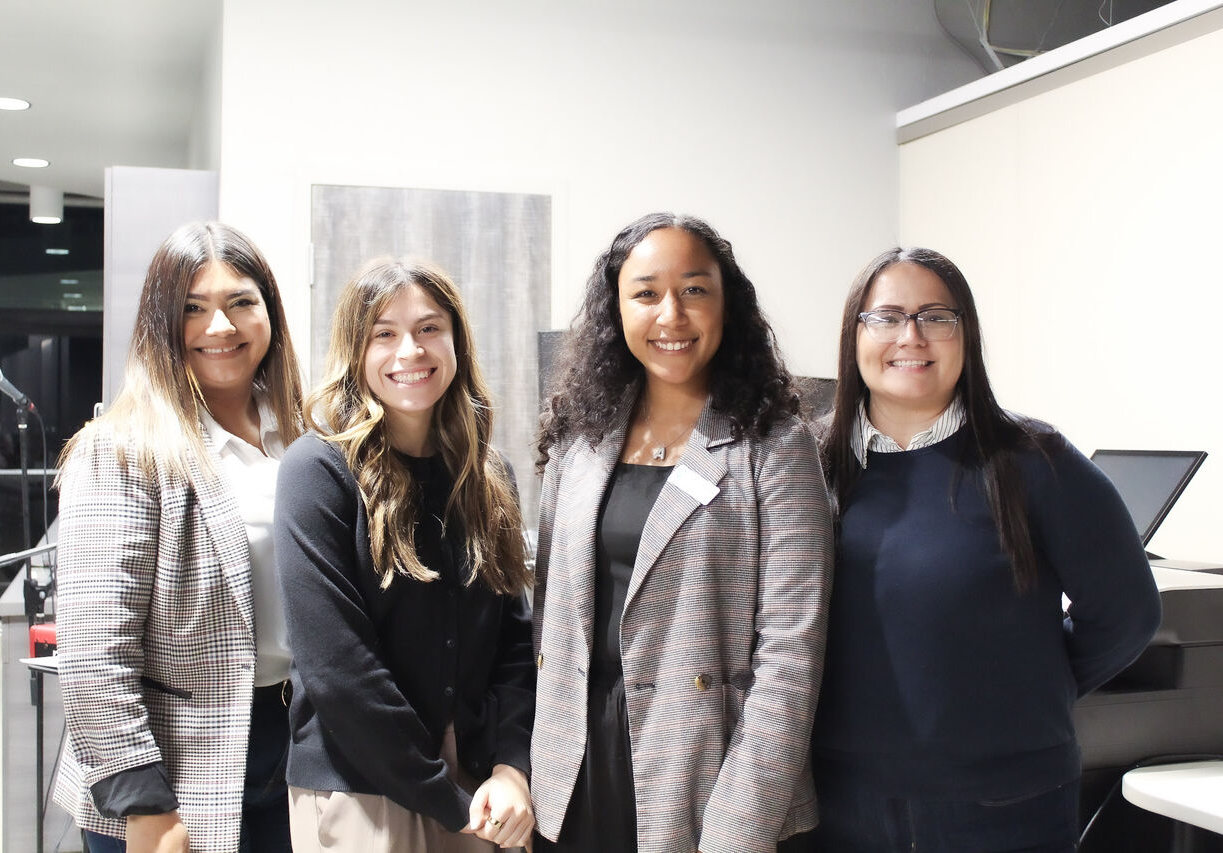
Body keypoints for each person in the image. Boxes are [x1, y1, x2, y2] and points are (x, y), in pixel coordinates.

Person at [811, 247, 1162, 852]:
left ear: (965, 334)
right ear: (854, 334)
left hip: (1005, 805)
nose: (911, 336)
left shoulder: (1033, 459)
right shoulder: (807, 465)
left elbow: (1126, 613)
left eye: (935, 317)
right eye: (887, 317)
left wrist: (1027, 690)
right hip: (839, 806)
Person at [530, 213, 833, 853]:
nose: (671, 315)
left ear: (728, 303)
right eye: (646, 293)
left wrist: (741, 824)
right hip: (578, 761)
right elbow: (548, 616)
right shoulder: (580, 441)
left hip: (712, 768)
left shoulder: (773, 446)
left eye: (694, 289)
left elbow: (790, 657)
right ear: (616, 309)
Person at [53, 222, 307, 853]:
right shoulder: (120, 449)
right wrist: (144, 802)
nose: (220, 326)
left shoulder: (306, 436)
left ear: (269, 312)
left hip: (296, 747)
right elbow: (94, 651)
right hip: (172, 766)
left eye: (241, 301)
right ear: (160, 321)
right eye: (193, 308)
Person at [273, 257, 535, 852]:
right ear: (355, 352)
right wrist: (445, 799)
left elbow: (515, 641)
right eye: (384, 334)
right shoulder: (317, 470)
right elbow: (338, 670)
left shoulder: (489, 474)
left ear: (456, 341)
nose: (410, 351)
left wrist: (512, 767)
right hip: (361, 790)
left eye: (428, 328)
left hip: (482, 788)